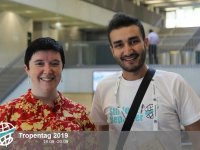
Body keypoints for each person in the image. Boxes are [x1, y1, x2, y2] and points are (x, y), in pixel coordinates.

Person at [90, 13, 200, 149]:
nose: (128, 51)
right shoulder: (104, 88)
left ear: (146, 43)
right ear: (112, 50)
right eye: (119, 45)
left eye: (134, 41)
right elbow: (101, 135)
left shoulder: (174, 83)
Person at [0, 37, 95, 132]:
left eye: (54, 64)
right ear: (27, 69)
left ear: (62, 68)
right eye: (40, 63)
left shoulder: (80, 113)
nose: (48, 71)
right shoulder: (5, 114)